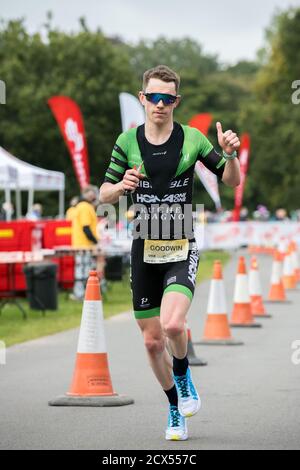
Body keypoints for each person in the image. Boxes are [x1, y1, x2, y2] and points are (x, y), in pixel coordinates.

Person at [99, 65, 241, 441]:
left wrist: (231, 156)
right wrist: (120, 187)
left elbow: (231, 180)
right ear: (143, 99)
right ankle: (174, 407)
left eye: (168, 98)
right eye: (153, 97)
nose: (160, 104)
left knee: (173, 326)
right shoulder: (127, 141)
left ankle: (182, 374)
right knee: (150, 342)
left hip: (180, 247)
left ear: (176, 101)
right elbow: (103, 192)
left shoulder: (192, 139)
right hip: (144, 248)